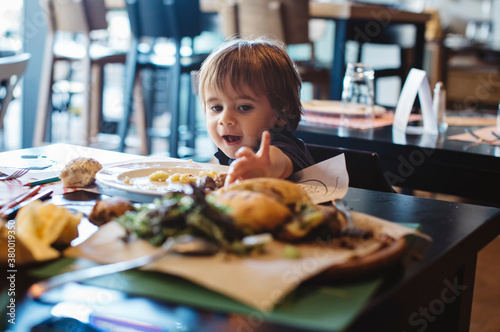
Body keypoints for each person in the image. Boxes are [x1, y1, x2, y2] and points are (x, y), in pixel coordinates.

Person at [198, 38, 314, 185]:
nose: (225, 119)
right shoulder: (231, 150)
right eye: (217, 108)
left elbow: (277, 161)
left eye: (244, 108)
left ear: (281, 111)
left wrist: (263, 168)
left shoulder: (280, 145)